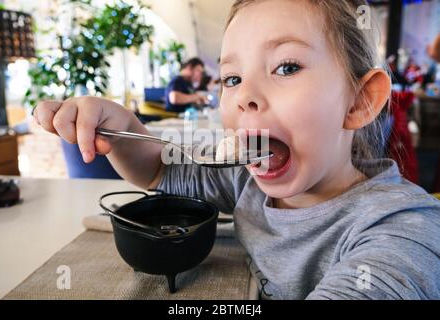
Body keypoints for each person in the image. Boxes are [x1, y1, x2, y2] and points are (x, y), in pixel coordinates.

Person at [33, 0, 440, 299]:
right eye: (231, 78)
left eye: (286, 67)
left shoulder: (401, 228)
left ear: (358, 101)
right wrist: (121, 126)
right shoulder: (246, 177)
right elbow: (160, 170)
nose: (245, 95)